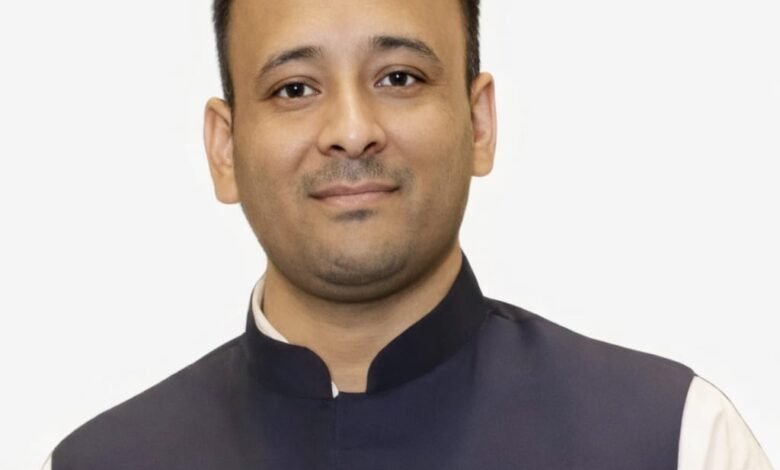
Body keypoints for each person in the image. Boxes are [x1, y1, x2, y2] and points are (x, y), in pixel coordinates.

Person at [44, 0, 773, 468]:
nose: (351, 130)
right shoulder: (106, 461)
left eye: (399, 78)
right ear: (224, 149)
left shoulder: (673, 439)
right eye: (294, 89)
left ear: (478, 123)